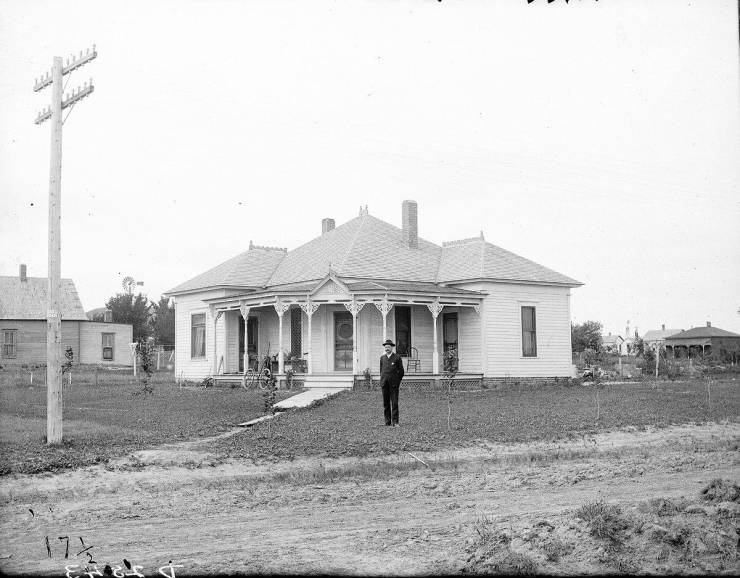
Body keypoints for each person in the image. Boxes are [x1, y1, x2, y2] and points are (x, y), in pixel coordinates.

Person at [379, 339, 404, 426]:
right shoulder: (382, 358)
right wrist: (382, 380)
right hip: (384, 384)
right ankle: (387, 422)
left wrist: (397, 381)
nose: (387, 348)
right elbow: (381, 371)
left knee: (394, 403)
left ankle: (395, 422)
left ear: (392, 348)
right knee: (386, 403)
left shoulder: (397, 357)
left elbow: (401, 372)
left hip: (394, 384)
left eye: (388, 347)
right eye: (385, 347)